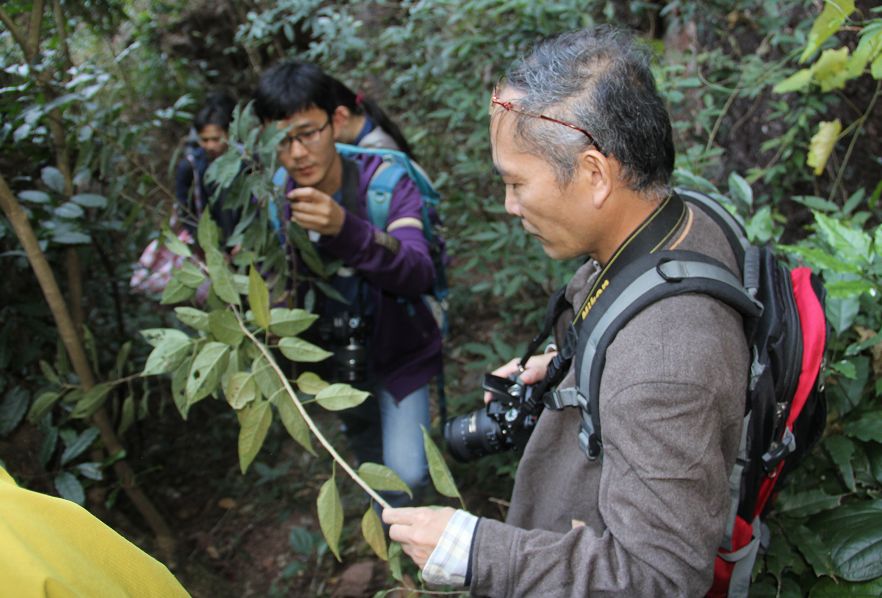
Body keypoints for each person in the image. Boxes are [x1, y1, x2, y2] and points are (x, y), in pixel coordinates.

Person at [383, 26, 750, 595]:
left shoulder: (665, 362)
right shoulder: (677, 222)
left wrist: (480, 553)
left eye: (515, 182)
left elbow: (662, 576)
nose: (509, 206)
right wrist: (569, 366)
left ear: (595, 173)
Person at [253, 60, 442, 507]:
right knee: (367, 452)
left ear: (336, 121)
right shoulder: (278, 193)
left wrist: (346, 229)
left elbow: (418, 270)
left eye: (307, 133)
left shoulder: (387, 182)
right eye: (281, 139)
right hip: (338, 362)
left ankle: (418, 528)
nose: (297, 152)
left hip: (400, 354)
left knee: (408, 470)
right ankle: (393, 529)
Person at [174, 91, 240, 240]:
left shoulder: (244, 162)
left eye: (216, 139)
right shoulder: (190, 167)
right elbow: (185, 210)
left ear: (229, 133)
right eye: (205, 140)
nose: (210, 145)